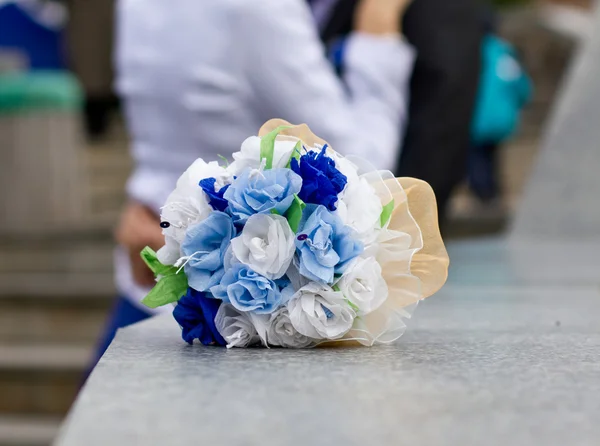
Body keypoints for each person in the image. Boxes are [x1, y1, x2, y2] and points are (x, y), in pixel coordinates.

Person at [97, 0, 416, 360]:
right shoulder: (259, 8)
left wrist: (148, 197)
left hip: (150, 286)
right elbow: (357, 167)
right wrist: (377, 32)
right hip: (232, 324)